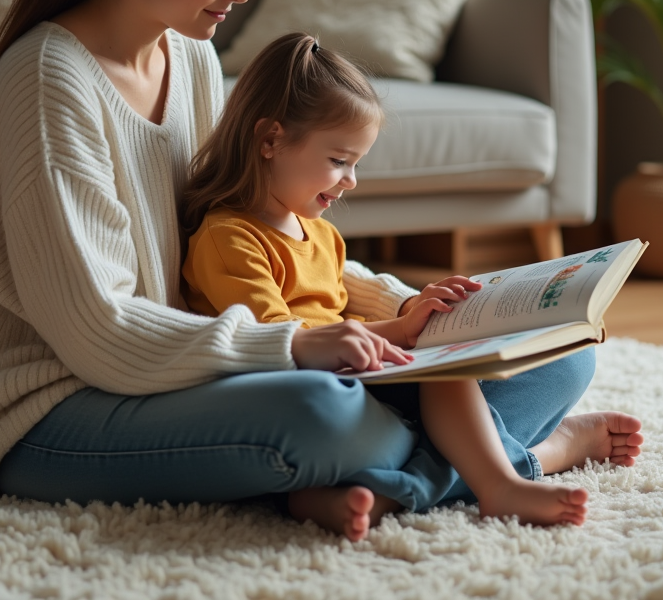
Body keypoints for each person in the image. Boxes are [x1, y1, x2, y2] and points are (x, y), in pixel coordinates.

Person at [0, 0, 643, 543]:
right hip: (47, 404)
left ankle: (393, 479)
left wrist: (413, 310)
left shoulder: (188, 55)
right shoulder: (48, 81)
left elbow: (255, 229)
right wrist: (293, 347)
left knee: (558, 361)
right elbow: (100, 333)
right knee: (328, 417)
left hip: (176, 362)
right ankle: (525, 458)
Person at [182, 32, 602, 528]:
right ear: (270, 140)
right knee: (443, 374)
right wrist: (401, 333)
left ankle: (368, 493)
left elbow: (342, 305)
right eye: (339, 161)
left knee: (566, 359)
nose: (350, 181)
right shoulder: (228, 237)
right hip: (296, 388)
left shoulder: (319, 233)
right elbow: (277, 339)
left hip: (350, 372)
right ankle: (508, 475)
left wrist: (419, 314)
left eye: (356, 164)